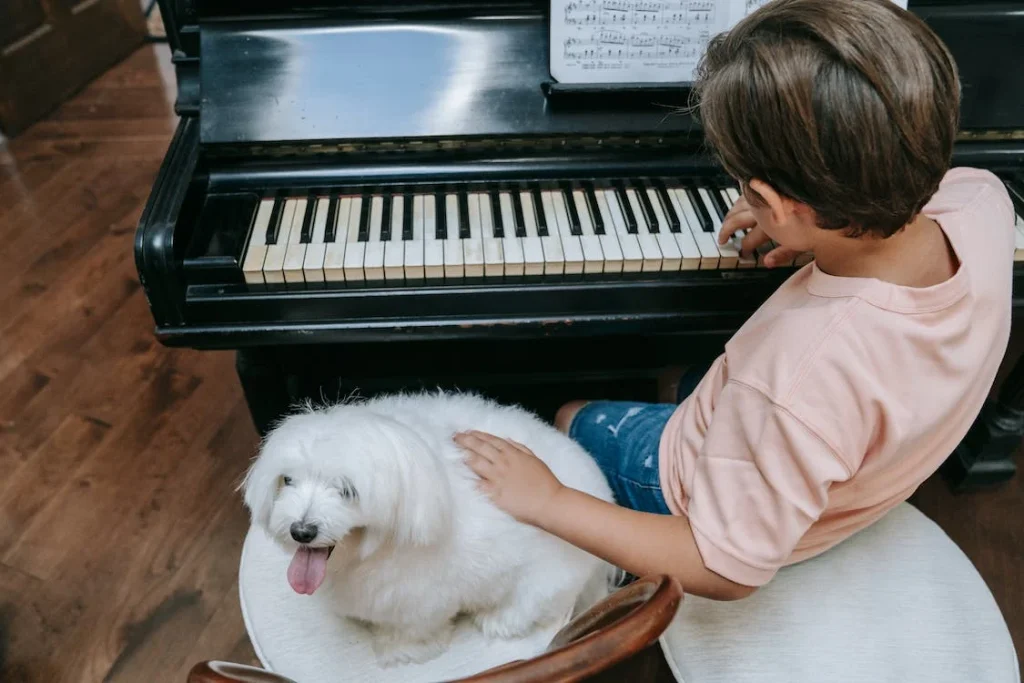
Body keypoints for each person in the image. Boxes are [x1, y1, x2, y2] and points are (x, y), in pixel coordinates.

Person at [454, 0, 1015, 600]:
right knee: (705, 379)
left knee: (571, 415)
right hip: (867, 470)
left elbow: (721, 569)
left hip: (689, 493)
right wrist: (809, 227)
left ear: (778, 205)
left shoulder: (797, 377)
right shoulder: (982, 199)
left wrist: (551, 499)